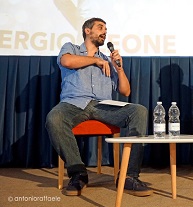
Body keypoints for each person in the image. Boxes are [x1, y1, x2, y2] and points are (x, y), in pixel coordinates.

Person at [45, 17, 152, 197]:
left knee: (139, 110)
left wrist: (119, 69)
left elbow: (125, 91)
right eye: (100, 27)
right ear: (87, 31)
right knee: (54, 118)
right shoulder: (71, 48)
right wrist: (94, 61)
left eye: (106, 29)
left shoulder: (108, 60)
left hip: (103, 106)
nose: (104, 32)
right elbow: (67, 62)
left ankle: (129, 176)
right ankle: (78, 173)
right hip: (73, 103)